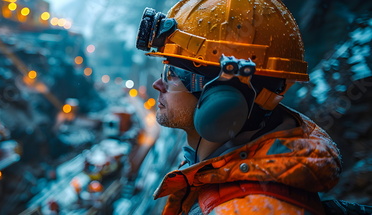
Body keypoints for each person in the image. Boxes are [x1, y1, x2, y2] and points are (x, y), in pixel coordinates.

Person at [135, 0, 342, 214]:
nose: (157, 84)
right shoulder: (215, 176)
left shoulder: (249, 209)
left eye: (172, 74)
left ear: (226, 95)